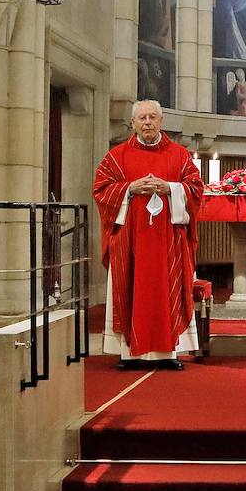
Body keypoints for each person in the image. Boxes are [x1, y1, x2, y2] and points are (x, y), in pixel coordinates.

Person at [93, 100, 204, 370]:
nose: (147, 123)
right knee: (130, 287)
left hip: (168, 242)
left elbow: (196, 189)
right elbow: (100, 190)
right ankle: (128, 352)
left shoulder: (179, 156)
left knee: (168, 288)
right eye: (142, 118)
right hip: (130, 241)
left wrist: (171, 188)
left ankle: (169, 352)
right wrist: (129, 189)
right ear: (133, 123)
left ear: (161, 121)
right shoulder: (116, 156)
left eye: (152, 117)